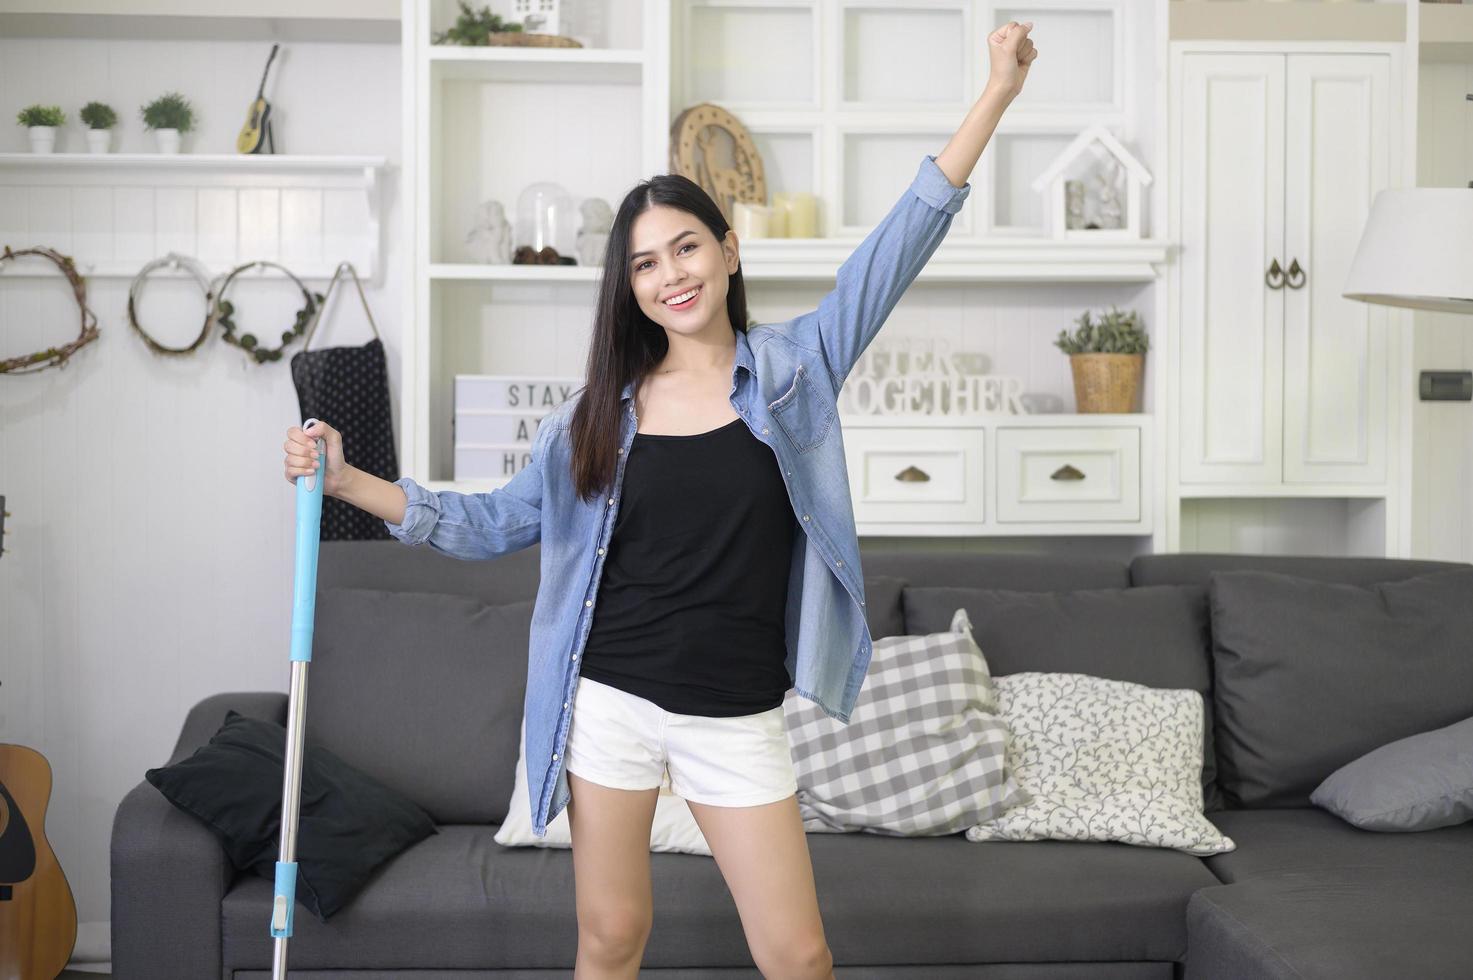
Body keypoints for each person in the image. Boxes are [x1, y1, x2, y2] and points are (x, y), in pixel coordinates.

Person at [283, 21, 1036, 980]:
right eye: (644, 264)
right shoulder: (594, 416)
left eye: (685, 249)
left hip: (734, 711)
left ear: (727, 252)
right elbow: (490, 525)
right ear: (629, 288)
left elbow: (898, 244)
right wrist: (348, 481)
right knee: (610, 939)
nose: (669, 275)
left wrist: (996, 94)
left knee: (799, 955)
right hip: (611, 706)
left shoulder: (793, 370)